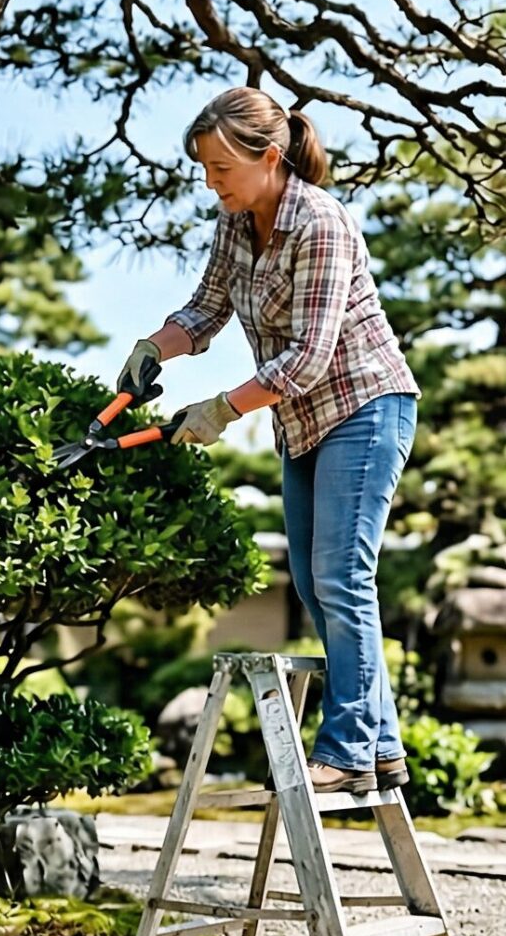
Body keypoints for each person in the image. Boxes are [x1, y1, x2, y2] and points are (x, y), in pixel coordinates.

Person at [124, 87, 421, 794]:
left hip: (364, 406)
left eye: (222, 167)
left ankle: (348, 749)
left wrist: (222, 409)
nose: (211, 182)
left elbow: (310, 359)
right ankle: (381, 745)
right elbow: (204, 310)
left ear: (271, 156)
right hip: (301, 419)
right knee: (318, 593)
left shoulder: (321, 222)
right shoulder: (236, 221)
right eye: (204, 168)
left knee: (343, 578)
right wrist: (152, 349)